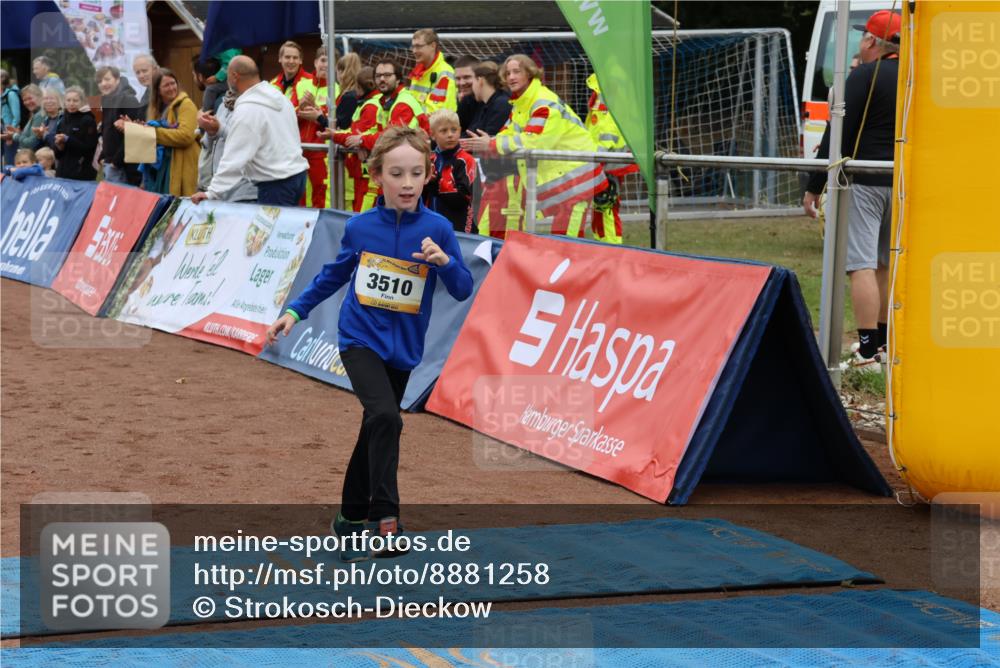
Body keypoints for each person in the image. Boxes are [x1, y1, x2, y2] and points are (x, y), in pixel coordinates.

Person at [265, 126, 473, 563]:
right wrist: (295, 311)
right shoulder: (361, 227)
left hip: (405, 351)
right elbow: (334, 274)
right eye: (397, 173)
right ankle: (385, 521)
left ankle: (347, 519)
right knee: (385, 417)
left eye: (416, 173)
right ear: (378, 175)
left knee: (374, 428)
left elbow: (462, 288)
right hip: (358, 339)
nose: (407, 183)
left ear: (428, 175)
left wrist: (446, 261)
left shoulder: (438, 228)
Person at [802, 10, 902, 373]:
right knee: (884, 263)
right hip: (903, 183)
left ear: (872, 41)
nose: (860, 42)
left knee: (859, 264)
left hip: (865, 182)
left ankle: (865, 350)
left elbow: (837, 134)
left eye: (863, 36)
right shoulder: (913, 78)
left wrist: (814, 187)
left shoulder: (863, 76)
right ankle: (885, 345)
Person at [461, 54, 607, 239]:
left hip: (579, 176)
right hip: (568, 177)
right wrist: (488, 142)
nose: (511, 77)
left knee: (567, 241)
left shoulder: (542, 103)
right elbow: (510, 133)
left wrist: (491, 143)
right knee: (563, 240)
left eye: (517, 72)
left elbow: (534, 141)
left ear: (530, 74)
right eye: (507, 73)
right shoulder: (521, 103)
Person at [192, 56, 308, 207]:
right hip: (296, 176)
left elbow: (234, 157)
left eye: (227, 75)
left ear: (234, 76)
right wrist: (220, 128)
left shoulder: (247, 109)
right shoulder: (279, 97)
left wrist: (212, 192)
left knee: (271, 231)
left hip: (275, 183)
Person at [584, 73, 638, 245]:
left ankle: (612, 247)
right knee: (601, 206)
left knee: (606, 205)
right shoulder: (601, 84)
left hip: (608, 159)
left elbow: (609, 126)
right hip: (601, 158)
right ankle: (603, 245)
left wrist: (600, 151)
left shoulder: (612, 83)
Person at [465, 61, 514, 238]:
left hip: (499, 179)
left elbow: (489, 139)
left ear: (480, 80)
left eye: (471, 82)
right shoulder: (485, 105)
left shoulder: (501, 104)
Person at [135, 68, 200, 195]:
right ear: (158, 90)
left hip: (183, 168)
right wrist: (135, 129)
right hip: (161, 171)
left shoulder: (185, 105)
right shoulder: (155, 110)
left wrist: (153, 133)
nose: (171, 88)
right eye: (166, 85)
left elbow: (186, 136)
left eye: (173, 83)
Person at [269, 41, 316, 206]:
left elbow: (309, 114)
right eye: (287, 57)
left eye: (295, 58)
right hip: (280, 152)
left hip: (307, 150)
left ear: (301, 60)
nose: (291, 61)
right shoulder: (272, 85)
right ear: (280, 59)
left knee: (307, 199)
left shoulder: (311, 82)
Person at [348, 59, 428, 156]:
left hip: (412, 160)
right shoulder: (385, 102)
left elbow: (390, 137)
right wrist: (334, 135)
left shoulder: (402, 104)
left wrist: (362, 141)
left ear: (398, 79)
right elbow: (377, 133)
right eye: (378, 76)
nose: (382, 79)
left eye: (387, 75)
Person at [328, 66, 380, 212]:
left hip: (367, 174)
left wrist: (334, 135)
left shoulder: (371, 106)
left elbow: (356, 136)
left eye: (357, 86)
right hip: (362, 172)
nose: (355, 91)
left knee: (363, 214)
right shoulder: (370, 103)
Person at [195, 88, 257, 203]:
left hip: (243, 192)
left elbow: (243, 141)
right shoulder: (223, 105)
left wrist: (219, 129)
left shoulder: (252, 107)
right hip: (220, 188)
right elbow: (208, 145)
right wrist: (209, 130)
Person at [296, 48, 337, 209]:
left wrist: (314, 108)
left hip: (322, 152)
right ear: (315, 62)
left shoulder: (336, 88)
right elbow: (291, 112)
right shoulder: (301, 85)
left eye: (329, 61)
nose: (325, 65)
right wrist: (301, 107)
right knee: (299, 193)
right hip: (299, 150)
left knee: (321, 193)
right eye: (322, 60)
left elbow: (335, 123)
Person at [424, 109, 476, 232]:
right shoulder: (430, 159)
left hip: (459, 225)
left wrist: (435, 183)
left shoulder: (466, 160)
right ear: (433, 135)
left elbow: (463, 198)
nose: (450, 135)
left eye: (454, 130)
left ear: (460, 130)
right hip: (432, 222)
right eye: (443, 131)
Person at [95, 66, 144, 185]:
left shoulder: (128, 100)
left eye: (107, 79)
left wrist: (116, 162)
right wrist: (103, 155)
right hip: (110, 162)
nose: (103, 84)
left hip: (123, 167)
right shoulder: (107, 100)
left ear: (117, 79)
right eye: (100, 81)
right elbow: (108, 131)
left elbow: (135, 134)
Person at [46, 86, 97, 181]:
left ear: (82, 102)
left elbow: (89, 147)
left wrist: (68, 140)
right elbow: (57, 153)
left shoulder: (88, 120)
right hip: (62, 172)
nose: (71, 104)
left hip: (81, 173)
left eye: (75, 100)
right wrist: (59, 146)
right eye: (68, 100)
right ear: (64, 102)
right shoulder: (62, 120)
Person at [408, 29, 456, 114]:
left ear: (433, 46)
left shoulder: (445, 73)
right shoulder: (417, 73)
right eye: (413, 46)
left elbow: (435, 112)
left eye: (418, 46)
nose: (414, 51)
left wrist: (408, 114)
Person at [453, 55, 480, 135]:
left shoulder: (490, 101)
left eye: (466, 77)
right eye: (458, 78)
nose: (461, 83)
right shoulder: (466, 100)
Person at [1, 69, 22, 167]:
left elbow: (16, 117)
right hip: (2, 131)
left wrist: (10, 133)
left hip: (9, 131)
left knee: (10, 161)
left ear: (2, 78)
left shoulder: (11, 94)